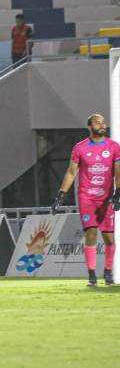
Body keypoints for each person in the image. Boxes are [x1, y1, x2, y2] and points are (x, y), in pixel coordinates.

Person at [51, 114, 120, 287]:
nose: (102, 125)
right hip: (87, 197)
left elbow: (118, 172)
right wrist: (61, 195)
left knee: (109, 238)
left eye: (103, 122)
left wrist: (118, 192)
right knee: (91, 232)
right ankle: (92, 275)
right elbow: (71, 172)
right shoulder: (80, 148)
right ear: (89, 127)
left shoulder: (114, 146)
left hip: (106, 199)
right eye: (98, 123)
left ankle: (108, 272)